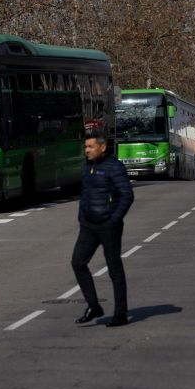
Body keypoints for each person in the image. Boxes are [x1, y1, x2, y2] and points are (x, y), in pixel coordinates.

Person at [71, 130, 134, 327]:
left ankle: (120, 314)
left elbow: (127, 195)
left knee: (114, 269)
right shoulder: (87, 167)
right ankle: (94, 306)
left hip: (108, 225)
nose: (87, 150)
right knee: (78, 262)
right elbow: (85, 193)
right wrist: (82, 216)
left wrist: (114, 219)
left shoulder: (114, 167)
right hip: (88, 225)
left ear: (103, 147)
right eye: (85, 147)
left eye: (91, 146)